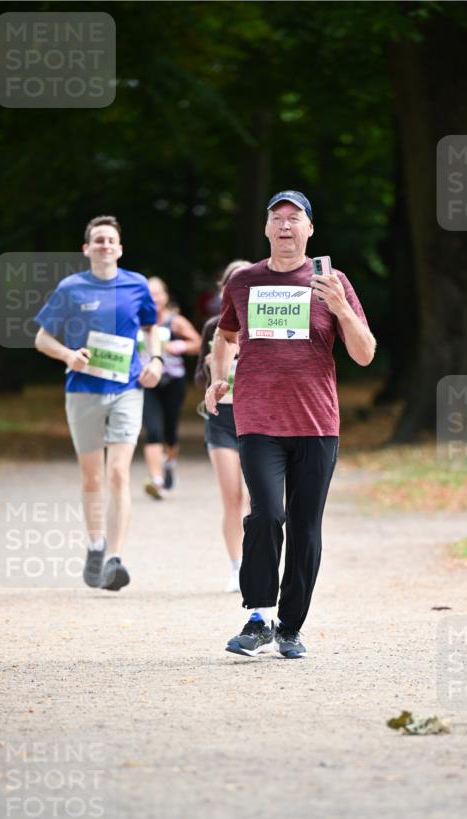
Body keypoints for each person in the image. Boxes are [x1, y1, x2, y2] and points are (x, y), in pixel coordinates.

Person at [205, 190, 376, 657]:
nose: (285, 226)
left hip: (317, 423)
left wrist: (340, 307)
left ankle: (290, 627)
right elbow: (224, 336)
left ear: (310, 229)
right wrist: (219, 378)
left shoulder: (332, 281)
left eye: (294, 218)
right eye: (276, 218)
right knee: (267, 514)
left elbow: (364, 353)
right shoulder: (243, 282)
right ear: (265, 229)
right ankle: (258, 615)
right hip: (258, 419)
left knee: (305, 526)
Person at [34, 215, 163, 590]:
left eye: (111, 240)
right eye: (98, 240)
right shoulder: (70, 288)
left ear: (120, 249)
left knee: (119, 471)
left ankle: (115, 559)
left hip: (126, 387)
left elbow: (152, 328)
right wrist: (68, 355)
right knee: (92, 475)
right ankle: (95, 543)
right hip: (83, 389)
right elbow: (42, 338)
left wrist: (154, 360)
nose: (105, 245)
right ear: (86, 249)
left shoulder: (137, 284)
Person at [194, 260, 252, 592]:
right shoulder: (214, 326)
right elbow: (199, 379)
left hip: (258, 417)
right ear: (224, 289)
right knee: (231, 497)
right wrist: (209, 370)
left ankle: (259, 564)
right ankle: (236, 567)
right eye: (232, 284)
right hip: (222, 420)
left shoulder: (265, 324)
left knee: (257, 501)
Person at [141, 276, 201, 500]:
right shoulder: (137, 320)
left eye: (158, 293)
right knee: (153, 430)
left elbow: (198, 343)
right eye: (149, 293)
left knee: (170, 434)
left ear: (165, 297)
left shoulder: (175, 321)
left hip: (173, 383)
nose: (154, 298)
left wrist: (179, 345)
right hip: (147, 382)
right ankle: (156, 480)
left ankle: (169, 463)